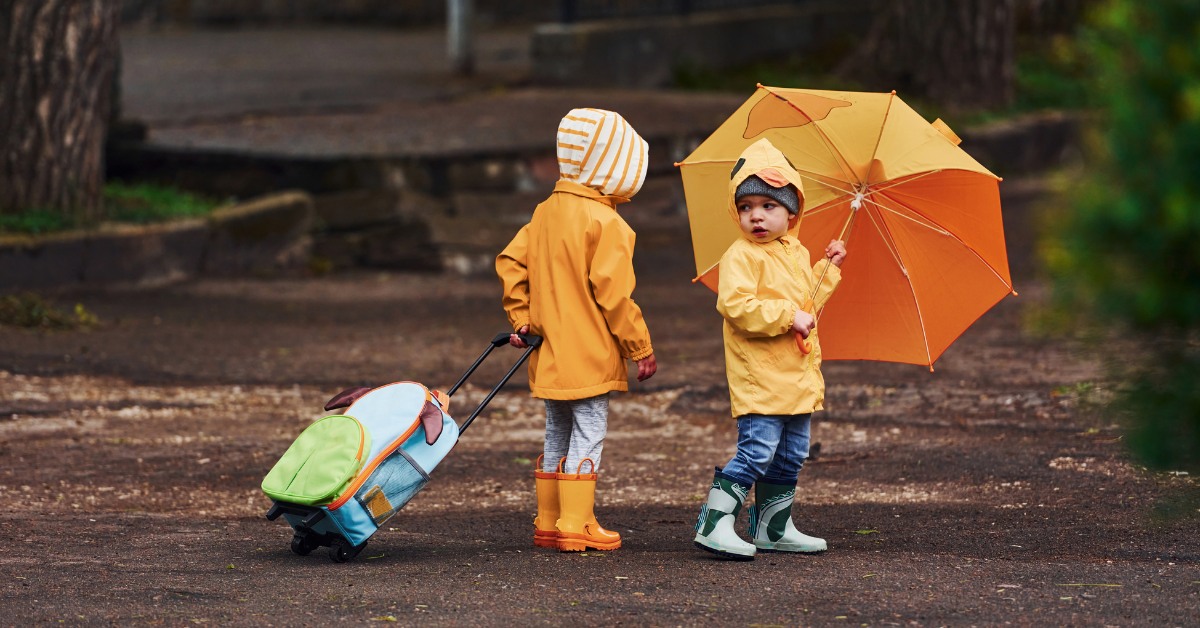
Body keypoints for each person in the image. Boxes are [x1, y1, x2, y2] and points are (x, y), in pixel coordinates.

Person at [496, 108, 658, 553]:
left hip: (548, 351)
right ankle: (576, 523)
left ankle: (549, 521)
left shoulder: (545, 212)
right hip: (589, 354)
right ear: (612, 167)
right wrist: (639, 346)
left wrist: (521, 316)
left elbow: (510, 261)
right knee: (589, 430)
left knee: (556, 430)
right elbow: (614, 296)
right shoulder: (608, 224)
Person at [693, 138, 846, 560]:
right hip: (760, 378)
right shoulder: (741, 256)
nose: (756, 215)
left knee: (792, 454)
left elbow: (806, 306)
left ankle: (772, 528)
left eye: (768, 205)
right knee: (757, 451)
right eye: (745, 207)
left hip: (795, 375)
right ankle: (713, 523)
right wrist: (786, 316)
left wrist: (828, 269)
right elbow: (736, 307)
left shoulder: (796, 252)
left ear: (792, 212)